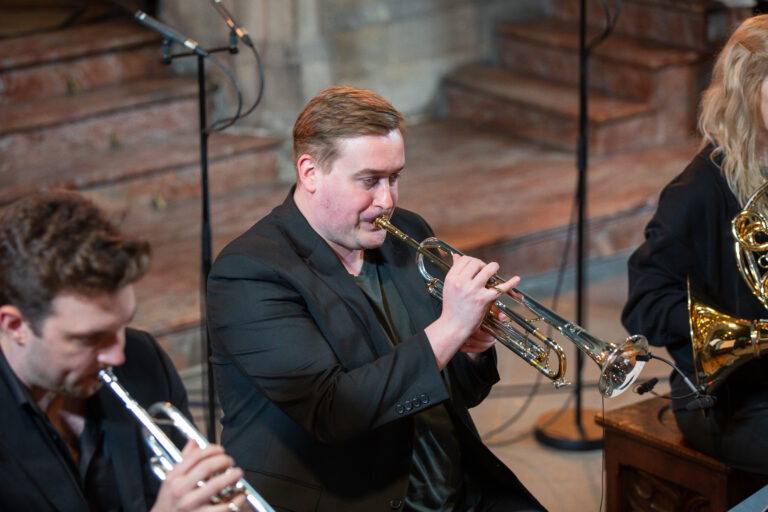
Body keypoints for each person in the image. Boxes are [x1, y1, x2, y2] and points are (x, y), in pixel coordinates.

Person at [206, 86, 544, 511]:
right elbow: (334, 411)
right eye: (369, 181)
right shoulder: (249, 273)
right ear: (309, 172)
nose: (386, 201)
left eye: (395, 177)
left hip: (453, 485)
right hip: (349, 498)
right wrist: (451, 326)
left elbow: (451, 392)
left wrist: (472, 349)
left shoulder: (408, 232)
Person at [0, 191, 249, 511]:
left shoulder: (143, 358)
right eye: (91, 338)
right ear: (14, 326)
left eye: (123, 325)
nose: (117, 356)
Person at [622, 14, 768, 478]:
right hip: (729, 399)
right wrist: (741, 331)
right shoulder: (698, 191)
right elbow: (645, 303)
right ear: (748, 90)